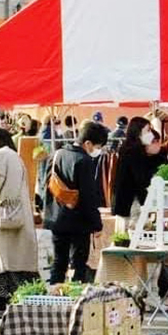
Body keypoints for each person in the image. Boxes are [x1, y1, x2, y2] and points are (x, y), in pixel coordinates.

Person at [43, 121, 108, 284]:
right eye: (98, 146)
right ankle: (76, 299)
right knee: (79, 264)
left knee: (59, 262)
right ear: (87, 143)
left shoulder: (57, 154)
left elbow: (47, 185)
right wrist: (97, 224)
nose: (98, 151)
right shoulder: (84, 161)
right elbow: (88, 197)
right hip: (79, 222)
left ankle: (54, 297)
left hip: (57, 218)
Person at [0, 128, 39, 316]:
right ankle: (24, 300)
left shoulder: (0, 156)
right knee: (21, 260)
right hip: (20, 214)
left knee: (0, 259)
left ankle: (1, 303)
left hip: (2, 214)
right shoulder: (16, 156)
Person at [112, 117, 164, 231]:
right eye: (148, 130)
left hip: (127, 202)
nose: (150, 134)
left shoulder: (130, 148)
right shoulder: (133, 151)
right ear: (138, 132)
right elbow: (141, 179)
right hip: (130, 203)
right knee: (131, 235)